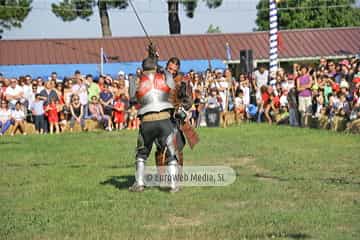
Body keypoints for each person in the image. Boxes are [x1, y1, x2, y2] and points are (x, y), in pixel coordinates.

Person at [129, 50, 180, 193]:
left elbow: (132, 99)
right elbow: (172, 84)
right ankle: (174, 185)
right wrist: (161, 67)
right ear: (156, 67)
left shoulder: (137, 80)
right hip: (164, 119)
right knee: (171, 151)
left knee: (142, 153)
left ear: (143, 68)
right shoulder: (165, 77)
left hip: (147, 120)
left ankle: (139, 183)